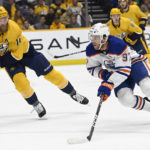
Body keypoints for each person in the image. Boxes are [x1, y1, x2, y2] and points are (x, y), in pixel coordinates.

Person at [0, 6, 89, 118]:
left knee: (52, 74)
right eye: (0, 20)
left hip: (27, 54)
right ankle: (35, 104)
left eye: (4, 19)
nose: (3, 23)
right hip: (11, 60)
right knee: (20, 83)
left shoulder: (14, 29)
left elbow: (16, 56)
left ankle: (73, 93)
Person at [86, 23, 150, 112]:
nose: (93, 40)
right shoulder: (90, 50)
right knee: (125, 99)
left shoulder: (118, 45)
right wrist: (104, 74)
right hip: (117, 71)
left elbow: (124, 70)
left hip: (134, 63)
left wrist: (109, 83)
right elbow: (91, 68)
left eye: (96, 37)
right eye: (92, 37)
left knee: (147, 87)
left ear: (104, 38)